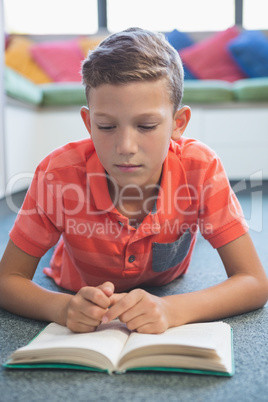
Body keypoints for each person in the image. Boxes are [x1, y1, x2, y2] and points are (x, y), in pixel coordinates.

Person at [0, 28, 267, 335]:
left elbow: (254, 282)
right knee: (48, 245)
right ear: (88, 123)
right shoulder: (57, 175)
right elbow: (7, 280)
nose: (125, 146)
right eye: (106, 126)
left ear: (178, 124)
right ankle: (54, 243)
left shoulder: (200, 167)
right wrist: (61, 307)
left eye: (146, 125)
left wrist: (171, 308)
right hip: (73, 282)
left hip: (165, 283)